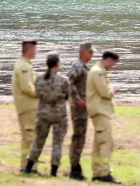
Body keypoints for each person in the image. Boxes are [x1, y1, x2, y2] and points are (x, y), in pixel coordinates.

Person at [24, 52, 70, 177]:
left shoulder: (39, 79)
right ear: (57, 64)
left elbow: (37, 93)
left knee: (38, 141)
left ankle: (28, 168)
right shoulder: (63, 80)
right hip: (59, 115)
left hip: (43, 113)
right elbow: (67, 96)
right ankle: (53, 172)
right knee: (57, 143)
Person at [87, 51, 122, 184]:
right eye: (113, 63)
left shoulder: (97, 71)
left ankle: (97, 172)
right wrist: (114, 90)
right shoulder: (98, 72)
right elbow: (105, 92)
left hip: (98, 110)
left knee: (98, 143)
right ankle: (104, 172)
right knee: (106, 143)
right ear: (108, 60)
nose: (113, 66)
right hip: (100, 111)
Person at [67, 42, 94, 180]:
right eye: (90, 52)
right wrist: (77, 100)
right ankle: (74, 169)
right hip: (78, 109)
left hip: (83, 108)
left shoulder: (83, 67)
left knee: (81, 137)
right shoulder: (77, 66)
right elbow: (70, 83)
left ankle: (76, 167)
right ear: (82, 52)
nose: (92, 55)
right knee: (78, 137)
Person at [11, 39, 39, 173]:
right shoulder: (24, 66)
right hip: (28, 106)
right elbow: (27, 87)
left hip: (26, 106)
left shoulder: (25, 64)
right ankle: (30, 167)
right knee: (31, 136)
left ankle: (25, 165)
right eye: (35, 49)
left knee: (27, 138)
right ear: (29, 50)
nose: (36, 51)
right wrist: (41, 94)